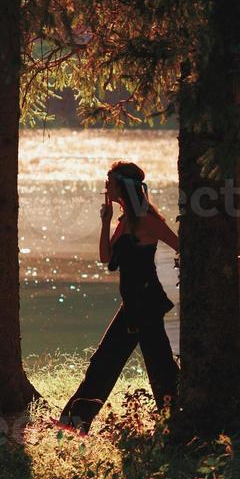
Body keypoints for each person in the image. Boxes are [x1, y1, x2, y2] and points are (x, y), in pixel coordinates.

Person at [57, 161, 179, 433]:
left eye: (109, 181)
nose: (105, 186)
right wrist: (105, 221)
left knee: (158, 365)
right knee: (107, 360)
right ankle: (75, 422)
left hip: (146, 302)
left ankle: (176, 420)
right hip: (133, 304)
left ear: (123, 186)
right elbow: (106, 257)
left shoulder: (148, 219)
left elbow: (181, 245)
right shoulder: (124, 221)